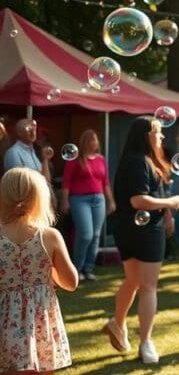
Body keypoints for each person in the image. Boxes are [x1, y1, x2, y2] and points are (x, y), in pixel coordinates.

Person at [102, 117, 179, 364]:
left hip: (133, 228)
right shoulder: (139, 161)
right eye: (158, 133)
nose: (161, 138)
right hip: (144, 230)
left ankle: (117, 324)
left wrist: (166, 212)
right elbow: (138, 200)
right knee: (148, 286)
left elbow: (152, 193)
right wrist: (170, 204)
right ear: (146, 135)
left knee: (134, 281)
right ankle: (146, 342)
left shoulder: (141, 160)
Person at [0, 167, 78, 373]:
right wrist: (48, 269)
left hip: (4, 321)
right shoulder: (49, 236)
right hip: (40, 322)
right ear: (39, 198)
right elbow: (71, 283)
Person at [60, 129, 115, 282]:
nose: (95, 142)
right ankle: (76, 269)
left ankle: (89, 268)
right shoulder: (75, 159)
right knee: (85, 234)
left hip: (99, 199)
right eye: (92, 140)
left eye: (96, 140)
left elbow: (106, 182)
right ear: (85, 142)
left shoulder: (100, 159)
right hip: (79, 199)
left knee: (96, 235)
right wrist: (64, 200)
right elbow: (66, 182)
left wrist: (111, 201)